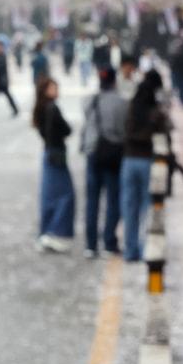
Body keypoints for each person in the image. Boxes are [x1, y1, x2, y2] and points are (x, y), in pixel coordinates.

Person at [120, 70, 171, 262]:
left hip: (129, 160)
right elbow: (165, 132)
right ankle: (145, 247)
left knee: (129, 207)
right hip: (148, 161)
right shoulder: (155, 111)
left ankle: (129, 249)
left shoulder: (132, 106)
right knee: (148, 208)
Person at [80, 67, 127, 258]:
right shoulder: (121, 103)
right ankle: (109, 242)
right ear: (114, 81)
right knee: (113, 199)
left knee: (92, 201)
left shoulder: (89, 101)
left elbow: (87, 124)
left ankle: (90, 245)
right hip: (112, 154)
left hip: (92, 153)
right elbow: (122, 129)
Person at [33, 77, 75, 252]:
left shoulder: (42, 108)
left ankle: (47, 232)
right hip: (55, 154)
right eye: (53, 88)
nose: (57, 91)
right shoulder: (52, 108)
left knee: (49, 196)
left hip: (49, 154)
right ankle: (55, 233)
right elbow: (65, 130)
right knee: (65, 195)